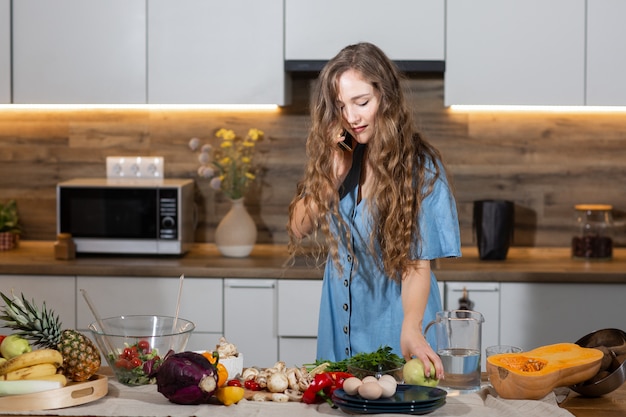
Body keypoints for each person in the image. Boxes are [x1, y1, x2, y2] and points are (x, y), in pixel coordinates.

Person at [287, 42, 460, 381]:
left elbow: (416, 265)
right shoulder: (340, 154)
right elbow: (298, 227)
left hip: (397, 327)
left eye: (362, 102)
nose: (351, 117)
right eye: (341, 106)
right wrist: (332, 173)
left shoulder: (420, 167)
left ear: (386, 98)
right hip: (340, 331)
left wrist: (411, 328)